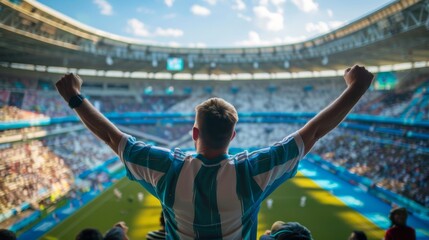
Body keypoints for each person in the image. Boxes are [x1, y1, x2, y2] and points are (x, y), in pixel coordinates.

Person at [55, 65, 373, 239]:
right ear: (233, 135)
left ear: (194, 133)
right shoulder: (252, 170)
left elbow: (113, 137)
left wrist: (75, 97)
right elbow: (313, 132)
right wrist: (355, 88)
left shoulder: (167, 167)